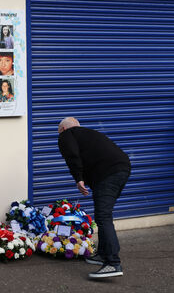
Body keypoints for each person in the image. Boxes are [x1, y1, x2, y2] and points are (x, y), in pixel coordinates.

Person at [57, 117, 131, 278]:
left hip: (108, 174)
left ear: (63, 129)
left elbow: (72, 155)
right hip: (122, 169)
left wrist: (78, 178)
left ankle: (112, 263)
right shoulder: (88, 133)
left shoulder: (66, 135)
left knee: (103, 216)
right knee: (104, 214)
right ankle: (103, 254)